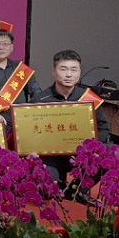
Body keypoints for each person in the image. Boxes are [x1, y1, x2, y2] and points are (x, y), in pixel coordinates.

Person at [31, 50, 110, 197]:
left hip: (81, 154)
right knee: (47, 192)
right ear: (54, 71)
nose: (69, 74)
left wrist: (94, 147)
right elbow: (31, 132)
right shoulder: (40, 100)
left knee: (111, 152)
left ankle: (77, 190)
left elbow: (103, 128)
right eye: (63, 69)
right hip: (51, 157)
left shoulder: (89, 98)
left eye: (74, 70)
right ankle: (61, 185)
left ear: (79, 73)